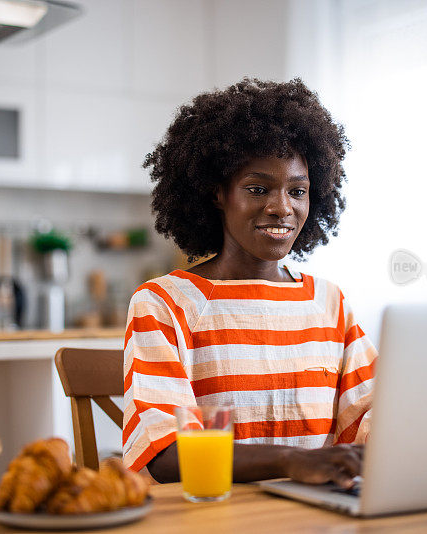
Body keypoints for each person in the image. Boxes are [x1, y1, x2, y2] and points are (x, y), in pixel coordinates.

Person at [123, 78, 377, 489]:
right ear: (217, 194)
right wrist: (291, 461)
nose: (282, 207)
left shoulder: (329, 302)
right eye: (258, 189)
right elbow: (165, 453)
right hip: (211, 516)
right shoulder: (165, 303)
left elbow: (368, 420)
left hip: (313, 515)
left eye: (298, 191)